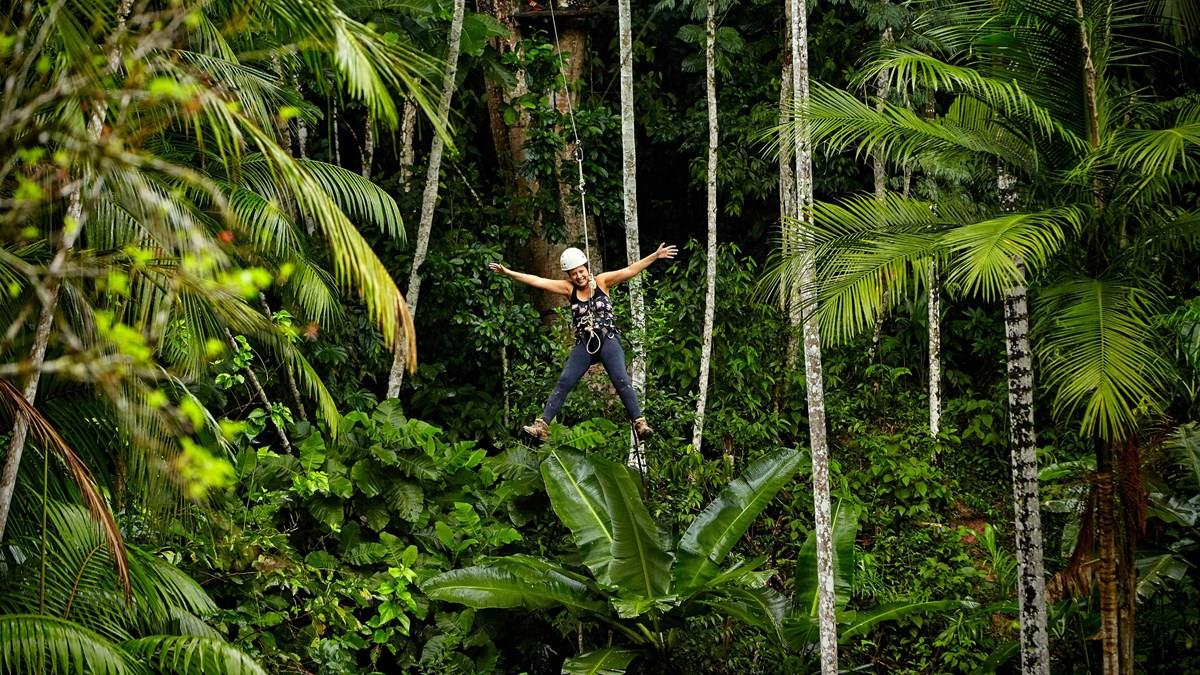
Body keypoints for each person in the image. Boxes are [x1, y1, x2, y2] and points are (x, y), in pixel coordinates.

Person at [488, 243, 678, 441]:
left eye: (581, 272)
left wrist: (655, 256)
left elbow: (630, 270)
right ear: (569, 276)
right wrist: (507, 272)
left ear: (587, 268)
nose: (578, 277)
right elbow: (537, 281)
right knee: (564, 381)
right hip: (585, 344)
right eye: (573, 274)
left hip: (607, 339)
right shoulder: (568, 288)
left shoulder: (602, 281)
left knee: (621, 380)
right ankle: (542, 425)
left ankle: (640, 422)